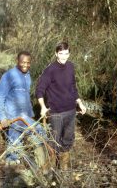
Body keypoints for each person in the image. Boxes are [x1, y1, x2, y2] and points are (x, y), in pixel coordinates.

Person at [36, 42, 86, 170]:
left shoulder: (70, 67)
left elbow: (73, 87)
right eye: (61, 53)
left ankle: (64, 167)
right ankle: (51, 168)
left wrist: (79, 103)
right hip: (56, 112)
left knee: (68, 139)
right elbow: (40, 90)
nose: (64, 56)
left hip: (70, 110)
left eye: (66, 53)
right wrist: (42, 106)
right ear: (56, 54)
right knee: (54, 140)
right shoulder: (50, 70)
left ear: (69, 54)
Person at [0, 51, 47, 172]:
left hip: (24, 115)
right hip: (13, 116)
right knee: (39, 132)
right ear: (17, 61)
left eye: (28, 63)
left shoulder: (27, 75)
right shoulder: (9, 76)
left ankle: (16, 165)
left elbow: (25, 95)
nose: (25, 65)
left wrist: (30, 114)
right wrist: (2, 118)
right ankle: (39, 166)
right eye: (23, 62)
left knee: (16, 140)